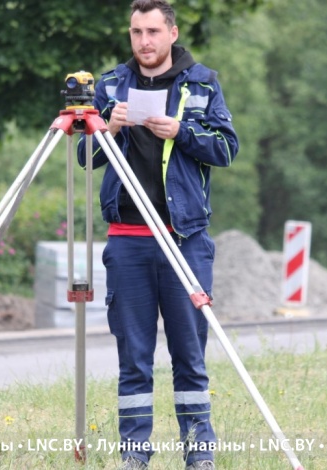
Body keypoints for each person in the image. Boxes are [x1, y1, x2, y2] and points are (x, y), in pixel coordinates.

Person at [77, 1, 238, 468]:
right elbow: (87, 158)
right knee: (134, 357)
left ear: (171, 32)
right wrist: (107, 127)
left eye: (152, 31)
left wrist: (181, 131)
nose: (143, 41)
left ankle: (199, 454)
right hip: (127, 238)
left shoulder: (202, 82)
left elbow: (227, 148)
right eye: (135, 32)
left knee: (190, 355)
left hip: (184, 238)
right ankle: (135, 455)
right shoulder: (110, 85)